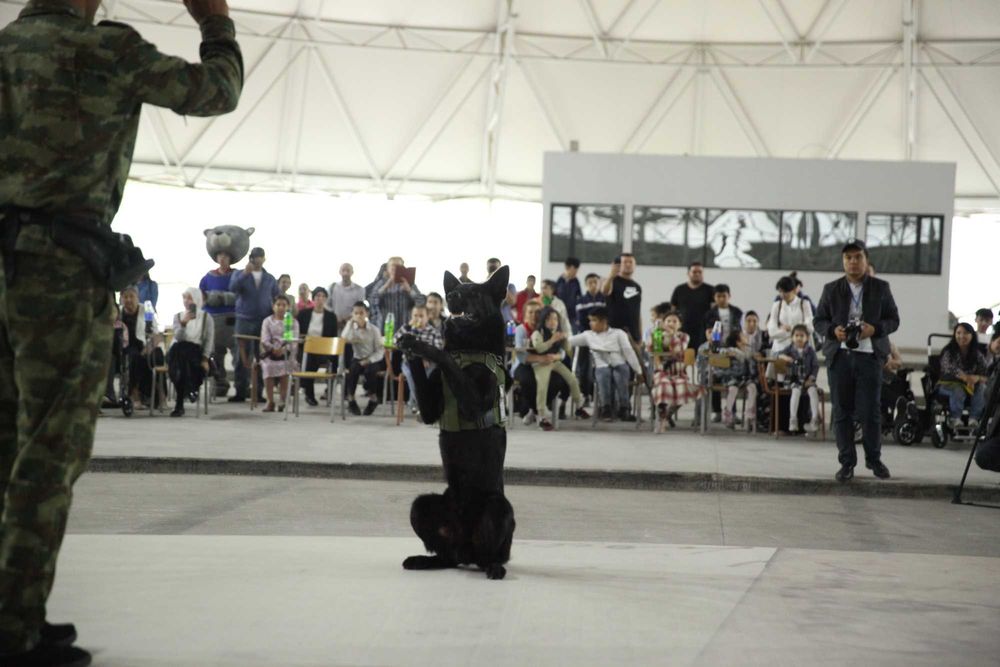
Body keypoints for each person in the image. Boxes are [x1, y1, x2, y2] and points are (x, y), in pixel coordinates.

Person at [0, 0, 242, 663]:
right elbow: (215, 91)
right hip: (59, 271)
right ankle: (13, 628)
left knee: (4, 443)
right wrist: (214, 23)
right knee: (48, 450)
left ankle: (10, 610)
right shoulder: (105, 49)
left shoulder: (5, 48)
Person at [814, 239, 900, 483]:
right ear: (843, 262)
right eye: (848, 258)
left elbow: (894, 319)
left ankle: (874, 459)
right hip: (840, 357)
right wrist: (833, 332)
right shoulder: (831, 289)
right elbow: (819, 320)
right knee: (841, 412)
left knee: (870, 411)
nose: (853, 262)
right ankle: (846, 463)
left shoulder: (880, 287)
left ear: (866, 260)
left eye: (858, 257)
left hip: (870, 357)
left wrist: (875, 329)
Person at [567, 307, 643, 422]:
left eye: (594, 320)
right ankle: (605, 408)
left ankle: (625, 408)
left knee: (619, 375)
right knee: (604, 374)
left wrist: (638, 371)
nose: (590, 323)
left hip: (619, 364)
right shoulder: (588, 335)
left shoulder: (619, 334)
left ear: (604, 321)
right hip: (601, 366)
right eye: (590, 320)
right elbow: (569, 341)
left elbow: (629, 353)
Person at [229, 247, 279, 403]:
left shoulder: (270, 278)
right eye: (254, 257)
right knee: (240, 357)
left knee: (261, 356)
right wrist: (245, 274)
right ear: (250, 258)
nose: (257, 260)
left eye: (260, 257)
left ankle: (258, 391)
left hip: (263, 321)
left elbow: (276, 297)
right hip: (243, 319)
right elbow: (232, 288)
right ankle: (240, 390)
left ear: (264, 258)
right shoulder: (239, 273)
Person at [530, 308, 588, 430]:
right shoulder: (538, 333)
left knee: (572, 378)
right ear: (544, 320)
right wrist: (552, 340)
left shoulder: (558, 332)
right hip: (541, 363)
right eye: (549, 319)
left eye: (555, 319)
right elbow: (539, 348)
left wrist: (565, 339)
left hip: (554, 362)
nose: (553, 322)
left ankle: (579, 406)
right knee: (542, 384)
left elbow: (567, 351)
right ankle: (541, 416)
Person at [511, 300, 567, 424]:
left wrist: (554, 357)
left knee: (558, 380)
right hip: (525, 365)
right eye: (530, 312)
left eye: (537, 312)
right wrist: (541, 358)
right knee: (527, 380)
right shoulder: (521, 330)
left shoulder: (547, 328)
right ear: (525, 314)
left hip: (547, 364)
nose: (534, 315)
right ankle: (537, 411)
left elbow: (562, 352)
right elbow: (521, 356)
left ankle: (534, 410)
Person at [167, 288, 215, 418]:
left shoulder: (206, 317)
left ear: (197, 300)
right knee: (180, 356)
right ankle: (191, 389)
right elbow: (178, 337)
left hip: (195, 350)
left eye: (190, 298)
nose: (187, 301)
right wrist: (184, 323)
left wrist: (205, 359)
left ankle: (180, 403)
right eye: (185, 298)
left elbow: (209, 340)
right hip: (178, 349)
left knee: (184, 363)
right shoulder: (178, 316)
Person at [650, 312, 700, 428]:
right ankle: (662, 412)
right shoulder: (658, 334)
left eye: (674, 321)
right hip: (662, 371)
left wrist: (672, 334)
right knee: (663, 384)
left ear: (680, 324)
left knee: (684, 386)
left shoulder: (684, 337)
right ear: (663, 323)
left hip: (679, 372)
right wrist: (654, 337)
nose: (671, 324)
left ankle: (667, 414)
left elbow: (679, 350)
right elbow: (652, 351)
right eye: (668, 321)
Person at [200, 249, 238, 398]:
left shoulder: (237, 275)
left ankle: (241, 385)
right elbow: (201, 297)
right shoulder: (207, 277)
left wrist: (219, 297)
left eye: (226, 256)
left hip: (233, 319)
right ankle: (220, 383)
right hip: (212, 320)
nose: (223, 259)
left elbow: (241, 295)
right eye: (220, 256)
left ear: (230, 258)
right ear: (216, 258)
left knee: (238, 354)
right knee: (215, 354)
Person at [118, 285, 163, 408]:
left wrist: (148, 347)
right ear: (121, 299)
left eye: (131, 296)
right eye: (125, 297)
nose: (128, 300)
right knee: (135, 358)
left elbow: (156, 333)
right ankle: (135, 394)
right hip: (126, 347)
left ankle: (154, 396)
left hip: (144, 345)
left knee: (152, 357)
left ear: (137, 298)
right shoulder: (119, 313)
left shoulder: (146, 310)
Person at [394, 305, 443, 416]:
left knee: (426, 377)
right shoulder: (407, 329)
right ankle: (421, 404)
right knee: (412, 375)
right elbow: (394, 341)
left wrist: (426, 358)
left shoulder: (433, 332)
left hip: (428, 363)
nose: (418, 318)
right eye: (415, 315)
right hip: (408, 362)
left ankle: (415, 403)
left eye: (421, 316)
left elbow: (438, 350)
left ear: (427, 317)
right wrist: (407, 329)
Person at [936, 323, 989, 427]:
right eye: (958, 333)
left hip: (971, 386)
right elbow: (950, 369)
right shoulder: (948, 352)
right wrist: (967, 378)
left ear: (972, 335)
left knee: (982, 388)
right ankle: (955, 418)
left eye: (965, 333)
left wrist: (977, 378)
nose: (961, 336)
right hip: (948, 384)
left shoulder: (978, 355)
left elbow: (986, 374)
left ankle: (974, 419)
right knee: (958, 389)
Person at [296, 287, 339, 407]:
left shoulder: (331, 316)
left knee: (335, 358)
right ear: (313, 298)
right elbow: (298, 332)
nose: (320, 299)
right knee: (309, 359)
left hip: (325, 349)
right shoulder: (304, 314)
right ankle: (309, 394)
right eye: (317, 296)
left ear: (326, 299)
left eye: (323, 296)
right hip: (306, 348)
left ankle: (329, 391)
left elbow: (333, 337)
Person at [341, 301, 386, 416]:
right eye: (356, 313)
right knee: (353, 369)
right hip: (357, 358)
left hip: (373, 358)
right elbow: (344, 339)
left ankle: (373, 398)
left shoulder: (374, 330)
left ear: (367, 314)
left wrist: (369, 360)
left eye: (361, 313)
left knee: (370, 371)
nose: (359, 315)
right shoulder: (352, 329)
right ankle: (351, 399)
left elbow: (380, 350)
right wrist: (349, 324)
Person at [777, 324, 821, 433]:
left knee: (813, 391)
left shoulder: (810, 351)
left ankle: (814, 419)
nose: (799, 338)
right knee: (795, 392)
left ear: (807, 337)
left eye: (802, 336)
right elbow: (777, 355)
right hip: (794, 380)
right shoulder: (789, 349)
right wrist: (785, 357)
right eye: (796, 335)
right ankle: (793, 419)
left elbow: (815, 366)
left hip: (807, 380)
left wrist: (811, 378)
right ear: (792, 337)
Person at [259, 295, 299, 413]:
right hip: (270, 353)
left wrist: (283, 349)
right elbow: (264, 339)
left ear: (288, 307)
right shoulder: (267, 321)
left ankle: (282, 400)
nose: (281, 307)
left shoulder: (291, 321)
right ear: (273, 307)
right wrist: (273, 349)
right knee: (268, 366)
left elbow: (293, 340)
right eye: (278, 305)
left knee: (286, 366)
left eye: (284, 305)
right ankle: (270, 401)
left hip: (287, 353)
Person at [714, 330, 758, 432]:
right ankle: (728, 412)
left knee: (752, 388)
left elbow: (752, 367)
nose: (745, 337)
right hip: (732, 377)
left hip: (745, 377)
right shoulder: (730, 350)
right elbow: (721, 352)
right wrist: (729, 353)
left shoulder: (749, 351)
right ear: (738, 341)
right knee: (733, 389)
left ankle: (749, 414)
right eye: (743, 336)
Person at [669, 261, 714, 350]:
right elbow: (673, 311)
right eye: (694, 272)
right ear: (688, 273)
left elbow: (714, 312)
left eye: (700, 272)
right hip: (683, 330)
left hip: (702, 331)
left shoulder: (710, 290)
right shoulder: (679, 290)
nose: (697, 274)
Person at [603, 252, 642, 344]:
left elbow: (638, 312)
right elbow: (604, 291)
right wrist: (611, 276)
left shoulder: (637, 286)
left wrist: (640, 335)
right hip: (615, 334)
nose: (628, 265)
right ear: (619, 265)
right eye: (625, 262)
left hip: (633, 335)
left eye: (630, 262)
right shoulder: (612, 281)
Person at [767, 275, 815, 352]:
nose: (782, 294)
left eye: (785, 292)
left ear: (793, 290)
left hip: (801, 349)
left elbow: (810, 328)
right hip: (780, 349)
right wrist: (798, 333)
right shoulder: (776, 305)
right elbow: (772, 332)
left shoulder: (804, 304)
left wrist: (789, 328)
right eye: (780, 291)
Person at [377, 256, 423, 329]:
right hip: (386, 326)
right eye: (393, 265)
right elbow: (373, 301)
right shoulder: (381, 283)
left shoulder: (410, 283)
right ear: (388, 268)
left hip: (406, 326)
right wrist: (385, 287)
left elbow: (421, 302)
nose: (395, 268)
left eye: (398, 266)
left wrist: (409, 290)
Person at [555, 257, 582, 333]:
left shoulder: (576, 282)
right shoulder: (560, 281)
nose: (576, 271)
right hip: (560, 315)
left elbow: (579, 298)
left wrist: (578, 317)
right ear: (568, 267)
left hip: (572, 316)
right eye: (575, 269)